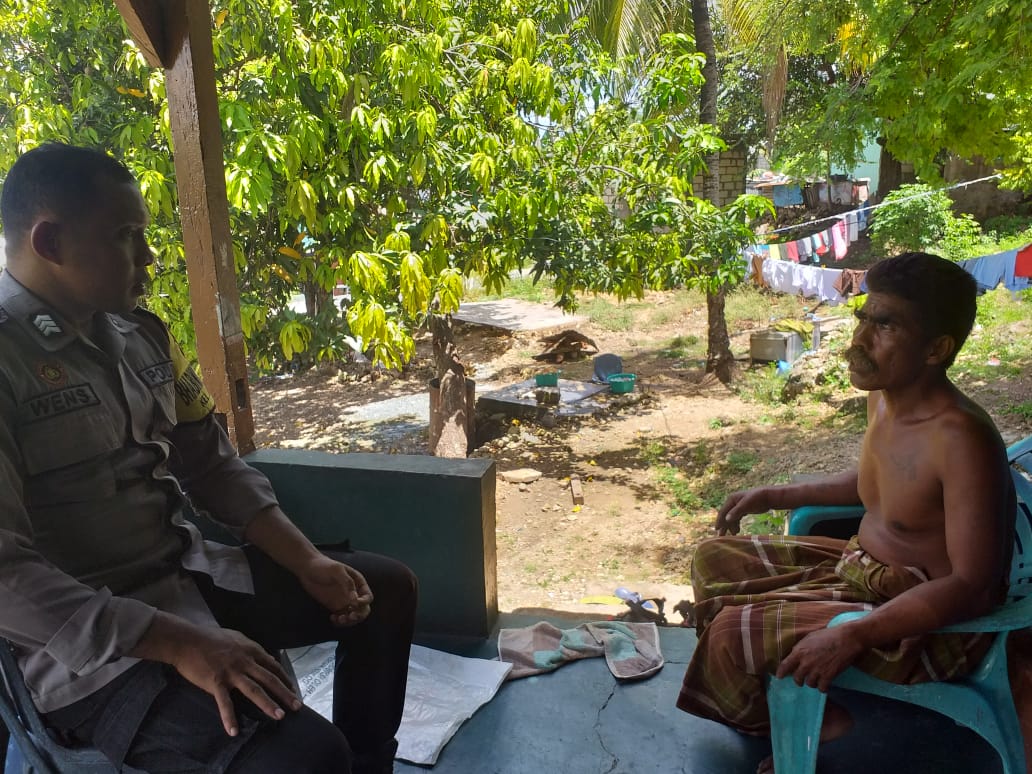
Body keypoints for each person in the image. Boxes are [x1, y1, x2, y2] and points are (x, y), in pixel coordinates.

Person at [0, 143, 417, 773]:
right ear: (51, 241)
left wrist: (306, 561)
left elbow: (213, 465)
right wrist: (180, 643)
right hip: (88, 652)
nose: (148, 256)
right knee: (305, 755)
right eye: (125, 236)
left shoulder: (140, 336)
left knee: (381, 592)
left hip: (189, 578)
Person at [676, 252, 1016, 773]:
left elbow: (975, 586)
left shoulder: (960, 438)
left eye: (884, 325)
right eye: (863, 316)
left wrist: (854, 633)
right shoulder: (884, 398)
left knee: (729, 637)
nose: (858, 339)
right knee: (712, 560)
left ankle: (820, 722)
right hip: (859, 569)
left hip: (925, 622)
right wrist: (773, 495)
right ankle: (791, 701)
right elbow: (874, 486)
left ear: (936, 349)